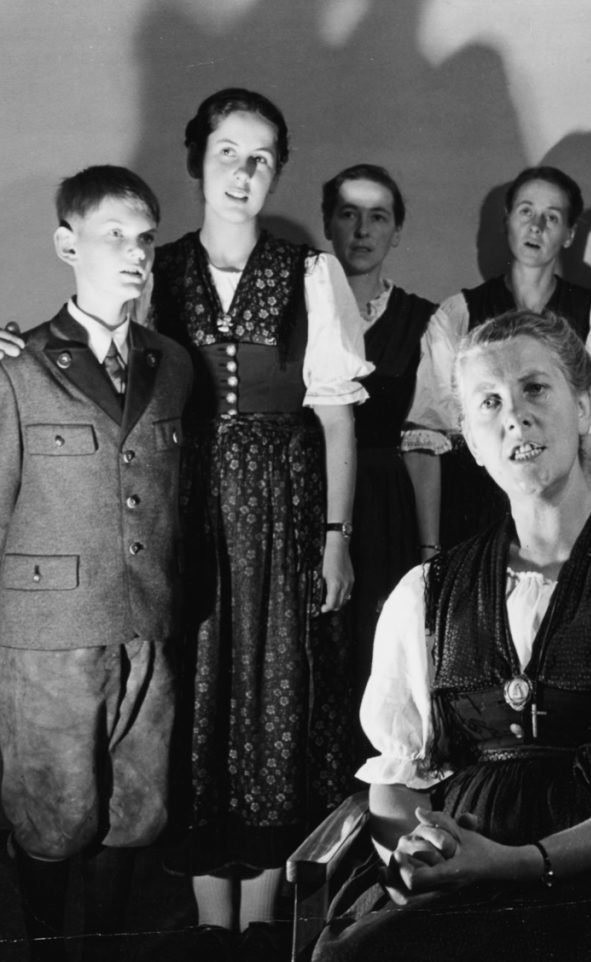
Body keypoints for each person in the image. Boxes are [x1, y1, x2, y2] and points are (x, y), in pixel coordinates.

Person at [313, 310, 591, 961]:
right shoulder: (428, 593)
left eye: (536, 389)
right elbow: (398, 776)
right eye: (489, 402)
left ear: (583, 406)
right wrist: (407, 849)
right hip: (460, 879)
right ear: (468, 433)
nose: (515, 418)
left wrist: (520, 862)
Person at [146, 89, 371, 959]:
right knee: (202, 697)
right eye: (230, 153)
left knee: (281, 691)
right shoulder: (153, 270)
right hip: (191, 513)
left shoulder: (308, 273)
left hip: (287, 513)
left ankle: (264, 914)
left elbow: (338, 416)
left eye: (263, 157)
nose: (245, 172)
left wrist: (337, 539)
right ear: (199, 159)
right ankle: (211, 923)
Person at [0, 165, 191, 962]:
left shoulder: (174, 364)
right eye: (114, 234)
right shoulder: (15, 365)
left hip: (146, 628)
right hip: (47, 641)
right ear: (66, 243)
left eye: (145, 236)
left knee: (134, 815)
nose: (136, 252)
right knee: (48, 818)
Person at [404, 166, 591, 549]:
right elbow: (429, 432)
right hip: (473, 509)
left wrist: (583, 532)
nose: (536, 226)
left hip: (562, 513)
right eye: (526, 211)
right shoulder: (458, 313)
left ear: (569, 234)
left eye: (552, 217)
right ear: (507, 222)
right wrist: (429, 547)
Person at [320, 163, 436, 713]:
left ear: (397, 232)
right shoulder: (299, 312)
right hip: (311, 497)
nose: (362, 231)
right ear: (328, 225)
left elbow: (424, 444)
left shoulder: (424, 321)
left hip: (387, 507)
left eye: (378, 217)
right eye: (348, 214)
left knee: (383, 651)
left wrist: (429, 552)